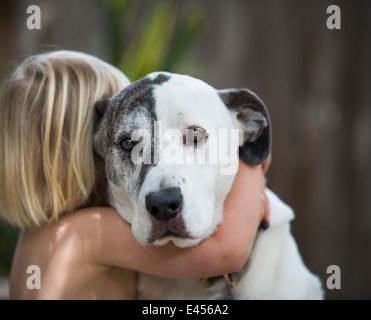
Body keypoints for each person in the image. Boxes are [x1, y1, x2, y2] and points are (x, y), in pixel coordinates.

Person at [0, 50, 270, 299]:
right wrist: (252, 169)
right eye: (129, 144)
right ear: (90, 148)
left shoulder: (37, 234)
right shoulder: (85, 233)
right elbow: (227, 252)